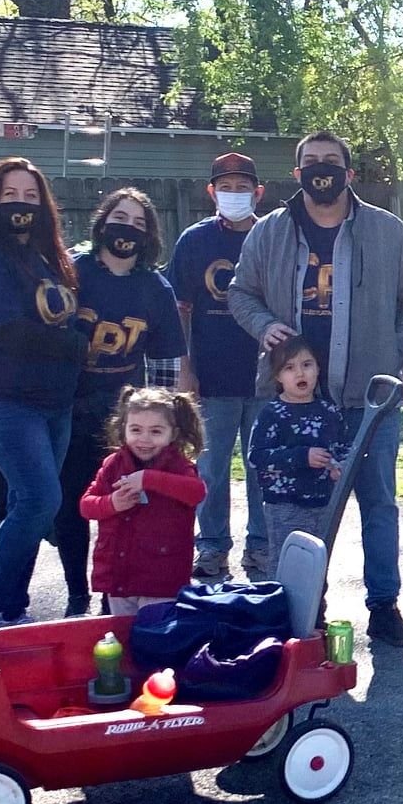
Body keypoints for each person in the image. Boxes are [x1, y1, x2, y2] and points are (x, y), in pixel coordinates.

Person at [228, 131, 403, 649]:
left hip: (367, 400)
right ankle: (305, 609)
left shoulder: (388, 231)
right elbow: (240, 292)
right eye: (311, 162)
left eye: (332, 161)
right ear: (297, 175)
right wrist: (262, 325)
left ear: (350, 171)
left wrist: (398, 353)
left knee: (379, 504)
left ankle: (384, 607)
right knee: (298, 511)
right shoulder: (269, 233)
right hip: (295, 405)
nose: (322, 169)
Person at [0, 157, 87, 629]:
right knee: (41, 500)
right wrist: (75, 345)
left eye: (30, 196)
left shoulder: (45, 258)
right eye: (9, 196)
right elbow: (6, 331)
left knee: (24, 499)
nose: (21, 205)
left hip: (52, 402)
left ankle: (10, 607)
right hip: (0, 399)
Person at [52, 189, 186, 617]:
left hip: (122, 416)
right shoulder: (72, 272)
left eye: (138, 222)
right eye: (119, 217)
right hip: (65, 406)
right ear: (102, 221)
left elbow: (165, 361)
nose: (127, 228)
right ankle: (78, 594)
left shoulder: (155, 289)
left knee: (125, 504)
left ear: (148, 236)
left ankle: (123, 595)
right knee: (69, 502)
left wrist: (164, 421)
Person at [168, 152, 270, 581]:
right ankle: (211, 547)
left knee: (263, 463)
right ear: (211, 192)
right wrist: (185, 367)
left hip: (267, 375)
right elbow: (180, 309)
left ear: (258, 192)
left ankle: (263, 546)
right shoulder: (194, 241)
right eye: (225, 187)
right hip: (211, 374)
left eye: (242, 187)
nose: (233, 194)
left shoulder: (272, 236)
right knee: (211, 467)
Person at [79, 386, 208, 614]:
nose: (144, 440)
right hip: (120, 576)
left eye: (156, 431)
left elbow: (196, 492)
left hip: (161, 578)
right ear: (124, 429)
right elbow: (86, 505)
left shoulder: (179, 466)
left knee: (155, 639)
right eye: (136, 430)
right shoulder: (113, 464)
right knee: (122, 639)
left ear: (173, 434)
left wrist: (148, 479)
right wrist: (111, 503)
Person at [247, 335, 349, 566]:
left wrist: (339, 467)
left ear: (317, 368)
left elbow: (343, 447)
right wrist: (302, 456)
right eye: (289, 368)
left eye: (306, 365)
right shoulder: (272, 413)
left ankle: (315, 602)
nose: (300, 374)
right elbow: (256, 457)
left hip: (322, 502)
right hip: (284, 504)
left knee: (317, 563)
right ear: (277, 376)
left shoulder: (329, 411)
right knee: (286, 563)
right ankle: (282, 602)